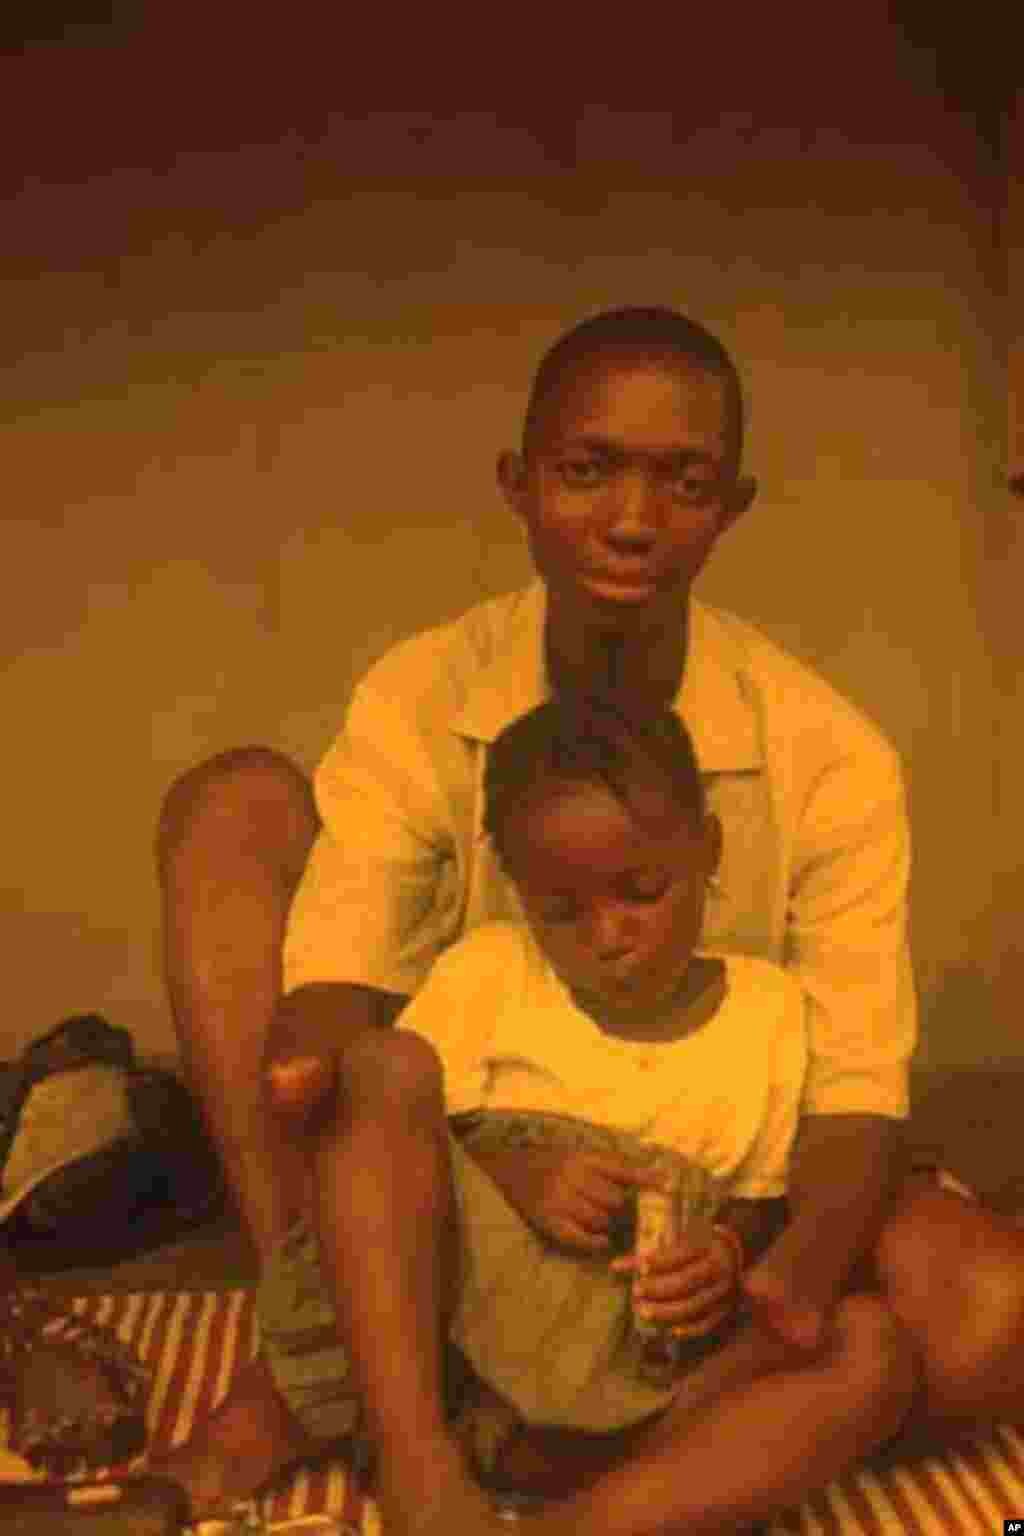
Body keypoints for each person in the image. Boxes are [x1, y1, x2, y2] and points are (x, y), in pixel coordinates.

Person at [155, 306, 1024, 1522]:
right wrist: (339, 1087)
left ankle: (580, 1462)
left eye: (683, 482)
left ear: (734, 505)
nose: (629, 521)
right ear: (516, 485)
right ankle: (346, 1370)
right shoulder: (424, 693)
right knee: (231, 810)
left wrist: (773, 1281)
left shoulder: (830, 754)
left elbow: (853, 1096)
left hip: (703, 1195)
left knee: (985, 1322)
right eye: (586, 470)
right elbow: (344, 994)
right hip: (458, 1162)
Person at [252, 696, 920, 1535]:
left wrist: (724, 1250)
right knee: (382, 1066)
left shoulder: (771, 1012)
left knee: (871, 1350)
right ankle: (418, 1466)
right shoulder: (490, 972)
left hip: (646, 1391)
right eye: (562, 911)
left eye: (642, 891)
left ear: (708, 849)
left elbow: (760, 1196)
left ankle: (582, 1525)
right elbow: (397, 1153)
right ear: (518, 889)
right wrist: (516, 1169)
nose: (608, 934)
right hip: (465, 1364)